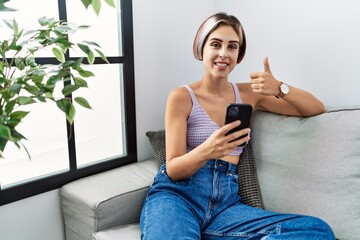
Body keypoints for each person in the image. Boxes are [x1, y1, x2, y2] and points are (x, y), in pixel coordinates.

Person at [140, 12, 336, 240]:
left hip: (225, 206)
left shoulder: (248, 94)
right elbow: (173, 169)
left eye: (232, 47)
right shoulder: (181, 97)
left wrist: (279, 87)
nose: (224, 53)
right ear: (201, 48)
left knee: (316, 230)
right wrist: (209, 150)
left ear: (238, 55)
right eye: (216, 44)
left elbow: (315, 108)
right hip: (178, 197)